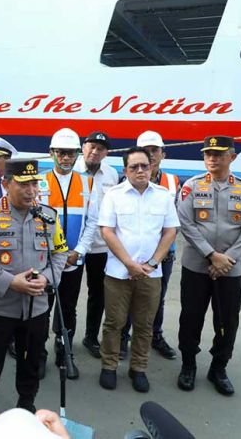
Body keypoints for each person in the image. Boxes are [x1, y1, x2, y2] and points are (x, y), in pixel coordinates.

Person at [0, 159, 68, 415]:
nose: (31, 191)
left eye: (34, 183)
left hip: (36, 309)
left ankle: (26, 406)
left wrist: (46, 278)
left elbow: (60, 254)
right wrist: (10, 281)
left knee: (31, 362)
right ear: (6, 183)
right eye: (24, 184)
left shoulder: (48, 216)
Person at [176, 135, 241, 396]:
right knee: (190, 318)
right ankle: (188, 365)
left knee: (227, 321)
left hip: (230, 269)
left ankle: (218, 368)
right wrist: (212, 255)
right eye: (208, 154)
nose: (212, 159)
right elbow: (186, 224)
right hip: (196, 266)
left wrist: (227, 259)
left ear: (232, 157)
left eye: (218, 154)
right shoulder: (191, 187)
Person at [97, 147, 179, 393]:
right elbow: (107, 231)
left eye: (145, 165)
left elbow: (170, 231)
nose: (141, 170)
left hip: (151, 273)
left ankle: (138, 368)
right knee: (114, 322)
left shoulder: (163, 196)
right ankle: (109, 366)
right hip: (118, 273)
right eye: (134, 167)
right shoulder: (114, 195)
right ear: (126, 170)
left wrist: (153, 262)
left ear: (151, 166)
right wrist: (129, 264)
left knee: (145, 325)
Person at [39, 128, 98, 379]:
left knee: (69, 307)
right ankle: (38, 353)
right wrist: (49, 254)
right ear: (52, 153)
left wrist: (79, 252)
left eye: (71, 153)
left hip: (74, 259)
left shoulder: (88, 182)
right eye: (61, 153)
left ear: (77, 155)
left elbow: (92, 222)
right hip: (45, 260)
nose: (66, 158)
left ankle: (64, 351)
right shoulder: (40, 181)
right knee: (42, 308)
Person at [119, 131, 179, 360]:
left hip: (163, 255)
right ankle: (123, 337)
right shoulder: (123, 179)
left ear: (163, 154)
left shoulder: (172, 182)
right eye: (146, 150)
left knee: (157, 299)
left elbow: (174, 224)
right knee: (126, 297)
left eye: (155, 150)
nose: (151, 155)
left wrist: (157, 257)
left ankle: (155, 335)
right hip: (131, 255)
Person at [73, 131, 119, 359]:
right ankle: (64, 338)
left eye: (100, 148)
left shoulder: (111, 174)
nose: (95, 151)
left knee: (98, 294)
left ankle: (91, 337)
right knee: (66, 295)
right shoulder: (70, 169)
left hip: (100, 246)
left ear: (106, 153)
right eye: (91, 146)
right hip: (72, 245)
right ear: (83, 147)